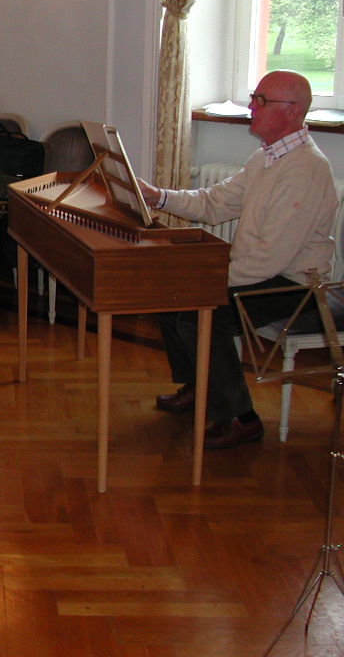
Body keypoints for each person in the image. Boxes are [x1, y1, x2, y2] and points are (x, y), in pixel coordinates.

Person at [137, 70, 337, 450]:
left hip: (296, 285)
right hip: (266, 273)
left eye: (261, 100)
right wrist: (157, 196)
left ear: (292, 110)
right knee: (171, 295)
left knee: (201, 315)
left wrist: (209, 281)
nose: (251, 107)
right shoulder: (267, 157)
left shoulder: (307, 169)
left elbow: (269, 260)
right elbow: (214, 203)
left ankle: (242, 418)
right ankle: (201, 386)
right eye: (254, 97)